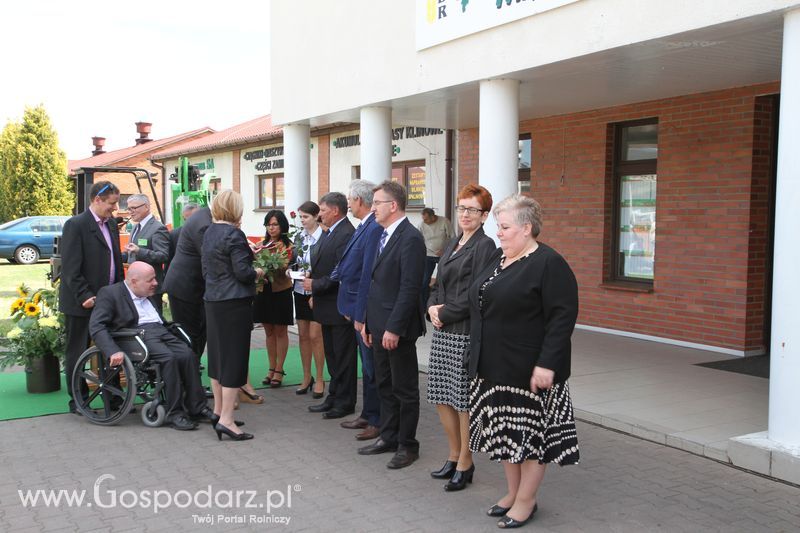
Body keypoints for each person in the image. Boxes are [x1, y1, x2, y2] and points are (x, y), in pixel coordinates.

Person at [468, 194, 580, 528]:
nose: (498, 233)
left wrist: (547, 363)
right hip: (493, 367)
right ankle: (513, 493)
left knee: (530, 441)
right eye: (498, 227)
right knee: (505, 437)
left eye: (504, 227)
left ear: (527, 228)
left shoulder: (548, 263)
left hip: (529, 370)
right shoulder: (500, 260)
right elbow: (481, 299)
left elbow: (562, 317)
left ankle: (527, 501)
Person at [427, 184, 497, 491]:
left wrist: (444, 314)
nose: (465, 215)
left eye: (472, 209)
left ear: (484, 215)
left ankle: (467, 461)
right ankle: (453, 455)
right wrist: (430, 307)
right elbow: (437, 283)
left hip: (464, 333)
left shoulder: (485, 246)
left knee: (462, 400)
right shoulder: (454, 241)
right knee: (442, 398)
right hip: (443, 332)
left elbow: (479, 294)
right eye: (461, 208)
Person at [89, 262, 213, 430]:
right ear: (134, 281)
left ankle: (197, 407)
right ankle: (175, 413)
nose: (155, 283)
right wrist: (112, 351)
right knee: (169, 359)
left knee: (188, 355)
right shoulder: (110, 293)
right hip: (136, 335)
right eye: (150, 280)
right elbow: (97, 326)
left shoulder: (148, 292)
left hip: (161, 330)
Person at [358, 180, 426, 470]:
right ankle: (388, 435)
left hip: (397, 329)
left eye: (377, 203)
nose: (372, 208)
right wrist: (370, 325)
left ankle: (407, 445)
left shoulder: (410, 238)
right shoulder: (383, 234)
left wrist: (394, 328)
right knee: (384, 384)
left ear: (393, 206)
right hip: (379, 324)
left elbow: (410, 289)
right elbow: (377, 284)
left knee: (404, 388)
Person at [202, 190, 263, 441]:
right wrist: (257, 271)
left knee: (217, 358)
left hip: (213, 300)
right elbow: (242, 273)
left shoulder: (209, 232)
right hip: (234, 303)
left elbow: (207, 268)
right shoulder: (234, 235)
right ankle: (227, 420)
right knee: (234, 360)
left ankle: (218, 412)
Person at [59, 181, 124, 414]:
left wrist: (120, 292)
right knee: (78, 351)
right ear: (97, 199)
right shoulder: (76, 225)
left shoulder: (112, 225)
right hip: (82, 303)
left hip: (107, 301)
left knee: (111, 349)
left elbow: (115, 260)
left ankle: (114, 399)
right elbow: (70, 267)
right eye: (112, 203)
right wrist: (84, 295)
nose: (115, 208)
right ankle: (78, 401)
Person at [333, 180, 383, 441]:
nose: (348, 204)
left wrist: (360, 314)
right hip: (353, 305)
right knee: (367, 367)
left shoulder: (373, 229)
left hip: (361, 309)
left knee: (372, 367)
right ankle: (368, 413)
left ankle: (377, 419)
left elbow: (367, 274)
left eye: (350, 200)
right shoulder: (364, 226)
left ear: (359, 201)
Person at [305, 192, 357, 419]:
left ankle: (345, 402)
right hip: (326, 305)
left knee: (343, 357)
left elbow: (342, 272)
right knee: (332, 355)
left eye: (323, 211)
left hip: (339, 306)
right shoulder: (331, 232)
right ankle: (334, 396)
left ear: (335, 211)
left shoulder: (345, 233)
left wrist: (316, 285)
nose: (320, 215)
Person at [163, 205, 212, 359]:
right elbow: (170, 259)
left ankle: (193, 364)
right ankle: (188, 372)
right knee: (187, 331)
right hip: (184, 287)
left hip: (197, 288)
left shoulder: (205, 226)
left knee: (200, 330)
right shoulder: (200, 229)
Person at [252, 210, 294, 388]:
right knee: (268, 331)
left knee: (280, 331)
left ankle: (279, 369)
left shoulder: (288, 246)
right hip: (263, 292)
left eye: (275, 224)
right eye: (269, 224)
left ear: (282, 226)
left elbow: (284, 267)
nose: (271, 227)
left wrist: (270, 264)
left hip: (281, 292)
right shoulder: (260, 244)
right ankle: (270, 368)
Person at [291, 201, 326, 398]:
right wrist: (290, 270)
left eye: (305, 217)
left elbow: (326, 267)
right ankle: (307, 376)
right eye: (300, 217)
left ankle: (320, 378)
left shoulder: (323, 237)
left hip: (317, 291)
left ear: (315, 217)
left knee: (316, 336)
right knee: (303, 335)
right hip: (299, 290)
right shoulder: (298, 237)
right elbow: (294, 260)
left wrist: (315, 290)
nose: (302, 220)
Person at [122, 194, 169, 314]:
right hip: (135, 287)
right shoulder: (135, 227)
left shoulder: (158, 228)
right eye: (129, 209)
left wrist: (140, 251)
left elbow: (163, 255)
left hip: (150, 288)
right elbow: (131, 254)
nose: (131, 212)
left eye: (134, 208)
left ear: (146, 207)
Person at [418, 207, 454, 307]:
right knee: (424, 280)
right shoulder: (421, 225)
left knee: (443, 278)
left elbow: (453, 238)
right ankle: (424, 305)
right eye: (423, 219)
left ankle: (443, 303)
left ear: (433, 217)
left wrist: (445, 250)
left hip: (442, 255)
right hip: (427, 255)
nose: (424, 221)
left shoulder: (444, 221)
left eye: (426, 219)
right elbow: (417, 240)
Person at [168, 202, 199, 266]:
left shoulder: (207, 232)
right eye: (188, 219)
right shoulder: (174, 235)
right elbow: (169, 259)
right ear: (184, 217)